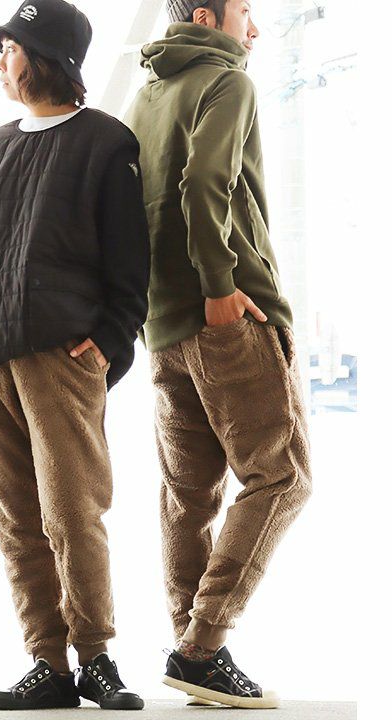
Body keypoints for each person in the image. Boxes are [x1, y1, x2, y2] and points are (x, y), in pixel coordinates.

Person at [0, 0, 149, 711]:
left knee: (72, 513)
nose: (2, 62)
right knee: (17, 522)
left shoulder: (105, 141)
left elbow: (131, 263)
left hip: (59, 354)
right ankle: (48, 663)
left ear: (48, 57)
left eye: (12, 49)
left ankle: (96, 658)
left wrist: (109, 342)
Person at [124, 0, 312, 709]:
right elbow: (204, 181)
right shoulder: (226, 79)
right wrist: (220, 286)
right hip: (225, 315)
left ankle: (191, 651)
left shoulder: (146, 95)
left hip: (162, 325)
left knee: (188, 496)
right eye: (245, 12)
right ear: (206, 16)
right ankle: (202, 646)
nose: (253, 29)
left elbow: (127, 207)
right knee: (283, 477)